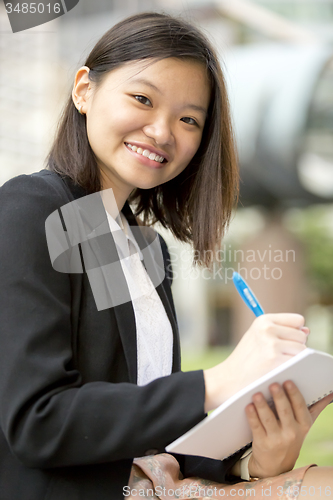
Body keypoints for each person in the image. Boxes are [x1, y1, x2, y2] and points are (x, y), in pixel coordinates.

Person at [0, 12, 332, 500]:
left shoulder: (139, 245)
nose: (161, 131)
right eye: (142, 99)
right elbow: (38, 421)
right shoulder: (34, 208)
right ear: (84, 91)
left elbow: (154, 431)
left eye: (188, 119)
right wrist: (215, 382)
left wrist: (258, 459)